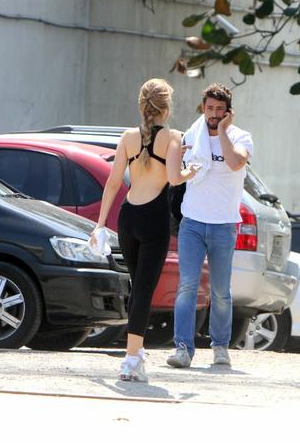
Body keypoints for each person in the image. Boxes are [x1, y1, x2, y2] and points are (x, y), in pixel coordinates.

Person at [91, 78, 195, 382]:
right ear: (166, 107)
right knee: (144, 292)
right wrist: (191, 170)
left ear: (142, 105)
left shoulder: (127, 137)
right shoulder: (173, 137)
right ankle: (131, 358)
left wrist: (99, 224)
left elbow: (113, 183)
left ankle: (135, 352)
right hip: (153, 220)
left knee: (138, 288)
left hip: (128, 216)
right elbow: (175, 179)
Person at [167, 83, 253, 369]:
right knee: (187, 286)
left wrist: (225, 132)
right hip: (192, 222)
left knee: (220, 291)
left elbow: (235, 163)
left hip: (224, 225)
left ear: (228, 111)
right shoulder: (191, 135)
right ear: (202, 108)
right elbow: (176, 172)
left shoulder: (241, 137)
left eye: (219, 110)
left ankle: (219, 346)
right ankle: (182, 347)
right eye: (209, 109)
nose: (213, 115)